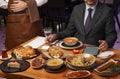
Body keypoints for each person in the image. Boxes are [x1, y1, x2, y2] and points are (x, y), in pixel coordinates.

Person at [46, 0, 117, 52]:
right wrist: (56, 35)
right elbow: (69, 31)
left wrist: (107, 43)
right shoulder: (77, 9)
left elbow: (112, 35)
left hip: (95, 50)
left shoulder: (107, 11)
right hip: (76, 49)